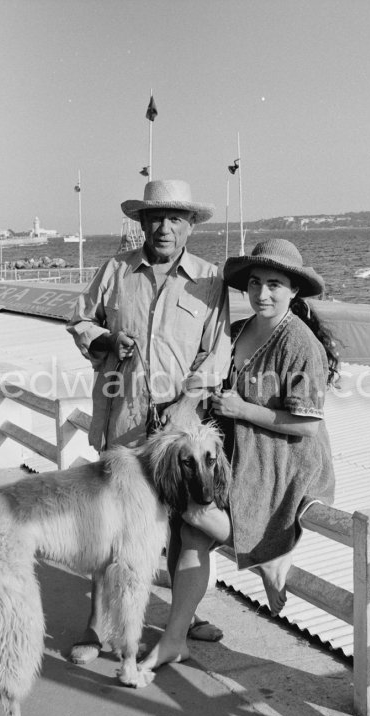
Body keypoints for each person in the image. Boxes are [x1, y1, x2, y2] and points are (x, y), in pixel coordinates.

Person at [140, 238, 338, 671]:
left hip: (282, 462)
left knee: (194, 520)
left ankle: (264, 557)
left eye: (274, 285)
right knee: (190, 523)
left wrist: (243, 408)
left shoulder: (300, 344)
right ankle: (176, 639)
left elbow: (307, 424)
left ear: (293, 291)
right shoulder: (240, 330)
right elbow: (210, 377)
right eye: (254, 283)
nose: (262, 294)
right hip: (236, 455)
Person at [66, 179, 231, 663]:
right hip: (126, 415)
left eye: (176, 218)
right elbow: (80, 320)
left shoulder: (209, 278)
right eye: (155, 217)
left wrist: (188, 403)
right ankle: (96, 625)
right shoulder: (115, 270)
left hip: (182, 423)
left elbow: (216, 350)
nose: (164, 227)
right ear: (140, 223)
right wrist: (106, 342)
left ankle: (184, 614)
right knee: (115, 519)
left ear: (190, 227)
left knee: (186, 522)